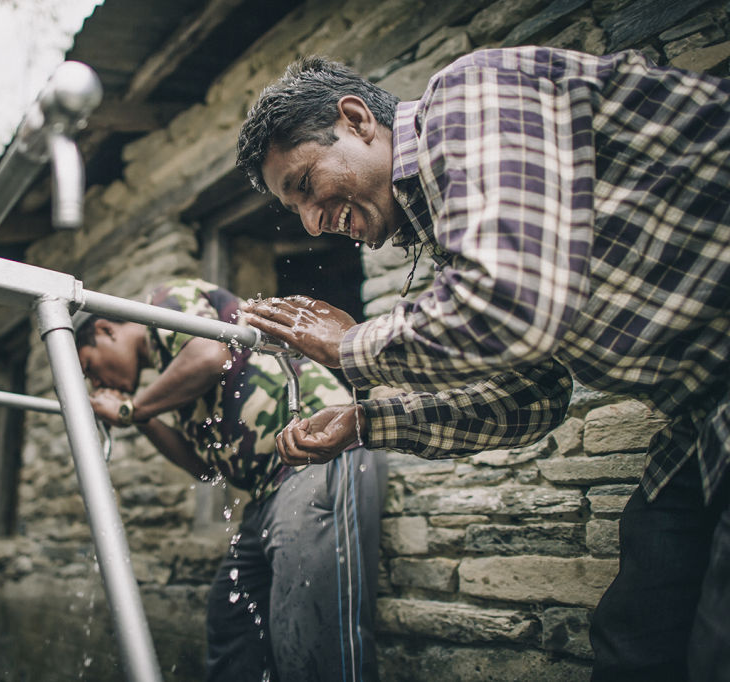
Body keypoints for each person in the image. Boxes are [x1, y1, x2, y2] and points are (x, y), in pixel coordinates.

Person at [235, 49, 730, 680]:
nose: (310, 223)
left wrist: (349, 344)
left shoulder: (469, 98)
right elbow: (530, 400)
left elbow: (511, 304)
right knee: (636, 636)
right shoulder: (455, 227)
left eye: (306, 185)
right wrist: (365, 423)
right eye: (296, 207)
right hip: (702, 417)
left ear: (357, 120)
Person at [75, 277, 387, 682]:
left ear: (105, 330)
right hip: (267, 495)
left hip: (318, 460)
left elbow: (209, 355)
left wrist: (132, 410)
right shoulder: (171, 377)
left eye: (88, 367)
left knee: (313, 641)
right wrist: (140, 418)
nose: (96, 383)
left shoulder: (164, 301)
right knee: (233, 628)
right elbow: (203, 469)